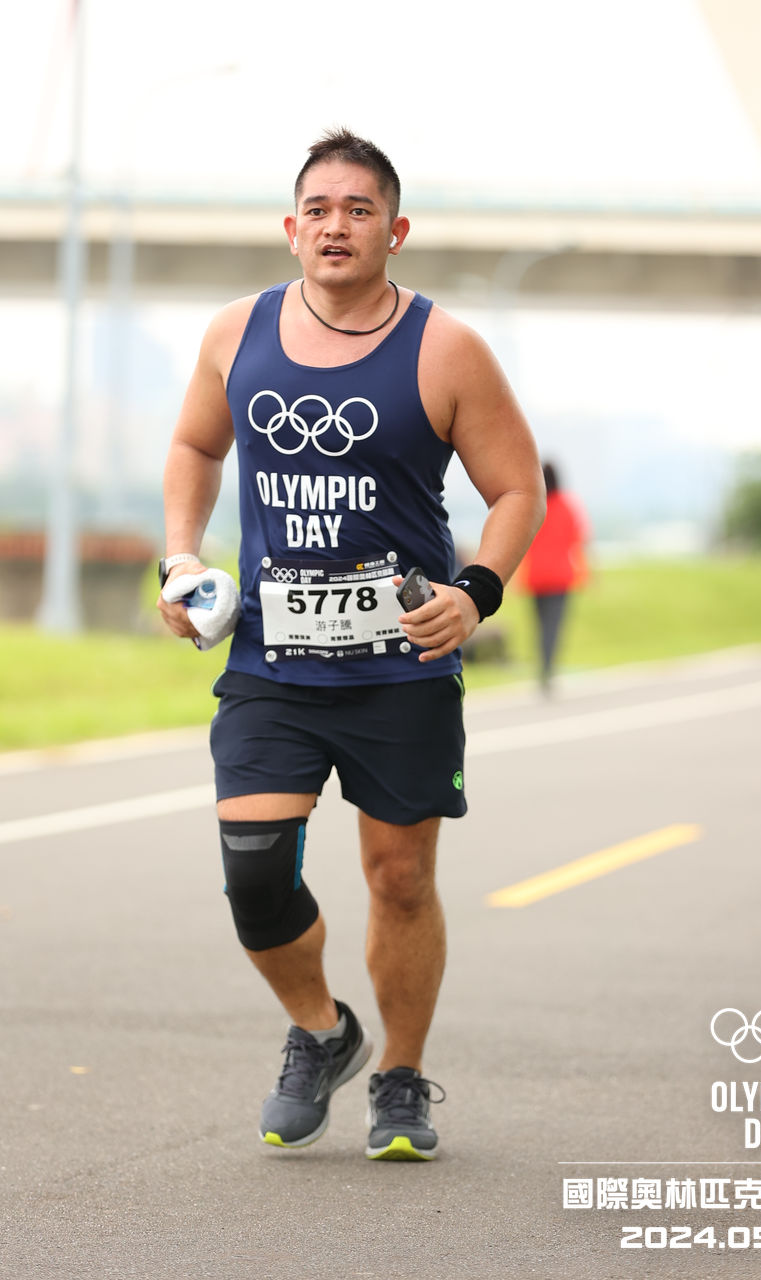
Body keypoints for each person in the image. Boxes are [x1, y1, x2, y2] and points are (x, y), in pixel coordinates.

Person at [157, 128, 545, 1161]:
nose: (337, 226)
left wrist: (475, 593)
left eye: (359, 210)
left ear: (394, 231)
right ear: (291, 229)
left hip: (401, 665)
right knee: (253, 874)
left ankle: (401, 1077)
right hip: (271, 660)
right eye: (319, 210)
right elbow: (195, 443)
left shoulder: (446, 349)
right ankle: (323, 1030)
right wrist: (178, 557)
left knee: (398, 877)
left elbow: (517, 488)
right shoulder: (237, 333)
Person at [518, 460, 589, 691]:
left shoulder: (533, 505)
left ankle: (543, 668)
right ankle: (547, 671)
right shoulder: (567, 507)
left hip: (536, 576)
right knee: (553, 626)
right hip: (560, 576)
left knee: (539, 626)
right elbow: (579, 540)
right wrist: (584, 572)